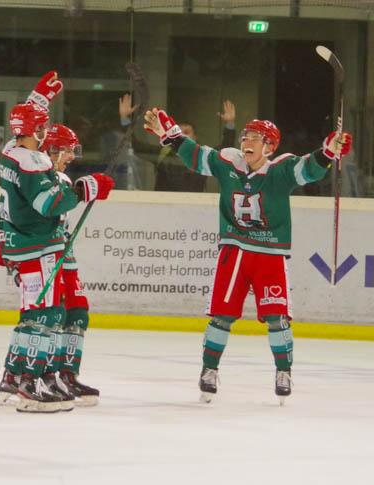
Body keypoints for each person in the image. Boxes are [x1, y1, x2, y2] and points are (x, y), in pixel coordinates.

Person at [143, 107, 352, 404]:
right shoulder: (229, 161)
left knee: (278, 319)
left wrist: (328, 152)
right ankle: (209, 370)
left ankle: (283, 372)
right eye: (246, 136)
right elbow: (198, 157)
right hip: (235, 250)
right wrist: (172, 136)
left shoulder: (281, 169)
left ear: (270, 146)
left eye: (256, 137)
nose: (247, 141)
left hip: (270, 253)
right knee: (221, 316)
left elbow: (308, 169)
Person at [0, 71, 114, 413]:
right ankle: (28, 376)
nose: (71, 155)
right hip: (37, 247)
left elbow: (24, 125)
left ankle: (51, 375)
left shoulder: (21, 156)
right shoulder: (33, 168)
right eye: (67, 149)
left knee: (65, 310)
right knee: (44, 312)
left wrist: (40, 97)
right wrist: (85, 190)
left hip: (51, 249)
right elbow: (16, 208)